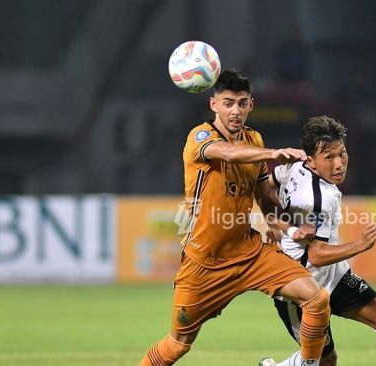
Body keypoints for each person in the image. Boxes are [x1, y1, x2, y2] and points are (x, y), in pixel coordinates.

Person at [139, 70, 331, 366]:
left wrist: (285, 228)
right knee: (178, 345)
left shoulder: (254, 138)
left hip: (250, 254)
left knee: (317, 299)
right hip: (204, 263)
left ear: (251, 104)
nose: (235, 111)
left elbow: (265, 197)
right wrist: (274, 153)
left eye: (242, 103)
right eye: (228, 103)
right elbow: (227, 153)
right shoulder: (200, 137)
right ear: (214, 104)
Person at [259, 116, 376, 366]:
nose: (339, 163)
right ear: (312, 160)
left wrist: (277, 221)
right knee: (326, 360)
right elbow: (317, 255)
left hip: (334, 275)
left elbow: (266, 183)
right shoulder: (318, 199)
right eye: (329, 158)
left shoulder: (295, 165)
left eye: (341, 153)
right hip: (301, 286)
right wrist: (360, 245)